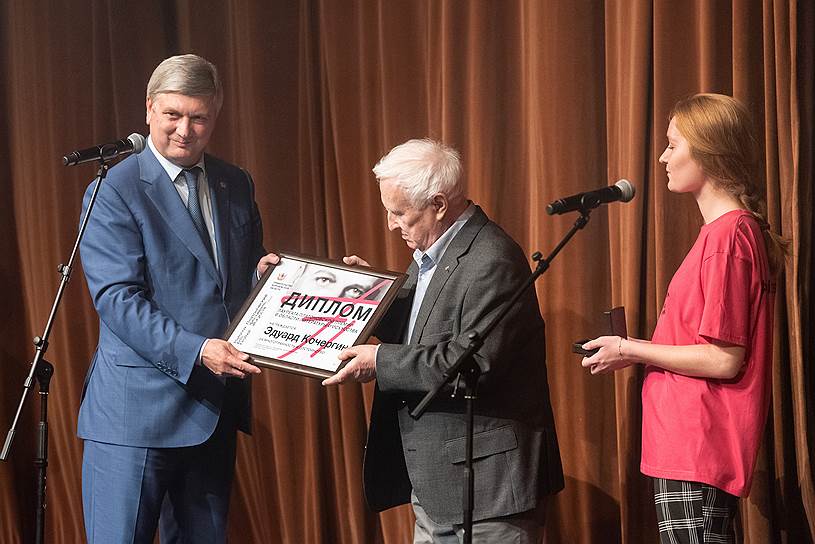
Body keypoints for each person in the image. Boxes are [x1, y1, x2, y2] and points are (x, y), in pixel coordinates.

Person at [78, 54, 278, 543]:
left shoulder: (236, 183)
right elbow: (118, 300)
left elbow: (241, 273)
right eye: (173, 115)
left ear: (215, 116)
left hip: (212, 414)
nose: (185, 130)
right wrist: (198, 350)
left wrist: (273, 279)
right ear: (149, 109)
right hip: (133, 418)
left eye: (199, 117)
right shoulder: (113, 189)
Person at [322, 138, 564, 543]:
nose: (390, 224)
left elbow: (471, 361)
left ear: (438, 204)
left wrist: (378, 362)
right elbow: (426, 325)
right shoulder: (432, 250)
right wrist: (369, 294)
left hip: (487, 491)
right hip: (437, 483)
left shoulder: (492, 259)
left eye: (399, 213)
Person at [580, 93, 786, 543]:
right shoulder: (723, 234)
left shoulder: (729, 236)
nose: (662, 157)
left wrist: (629, 348)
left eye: (674, 145)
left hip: (698, 441)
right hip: (686, 441)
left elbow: (724, 358)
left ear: (708, 150)